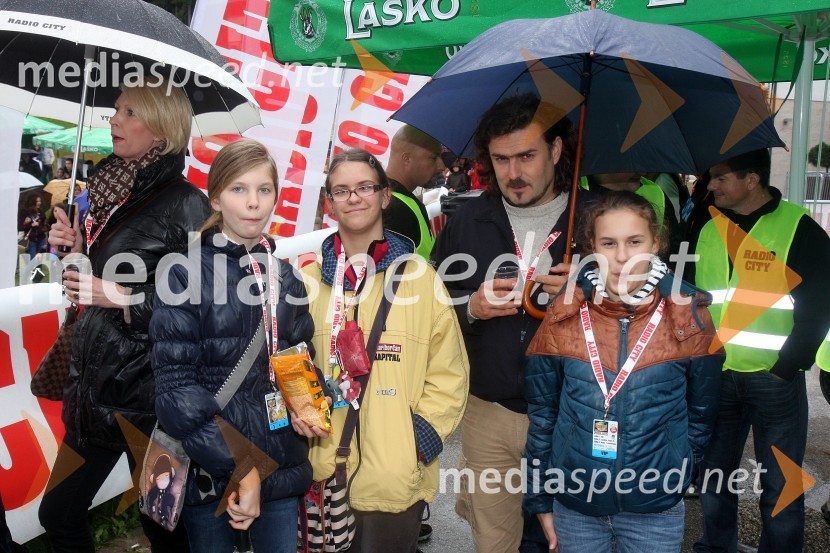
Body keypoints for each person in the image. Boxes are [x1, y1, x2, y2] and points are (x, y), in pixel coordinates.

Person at [40, 80, 210, 553]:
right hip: (96, 393)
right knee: (58, 514)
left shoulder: (189, 205)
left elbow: (202, 301)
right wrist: (76, 251)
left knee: (163, 525)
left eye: (129, 112)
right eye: (116, 110)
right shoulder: (114, 192)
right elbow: (96, 283)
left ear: (160, 131)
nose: (114, 119)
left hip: (152, 402)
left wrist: (119, 297)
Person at [430, 92, 593, 553]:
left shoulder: (599, 219)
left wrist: (591, 296)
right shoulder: (466, 223)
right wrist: (471, 309)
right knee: (494, 543)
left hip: (574, 414)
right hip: (489, 415)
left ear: (557, 151)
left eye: (526, 156)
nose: (514, 173)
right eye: (501, 160)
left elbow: (648, 313)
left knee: (572, 539)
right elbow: (428, 311)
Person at [523, 191, 723, 552]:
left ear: (657, 242)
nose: (621, 257)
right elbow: (543, 417)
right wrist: (539, 499)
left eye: (635, 241)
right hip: (576, 504)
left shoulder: (690, 317)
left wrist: (677, 469)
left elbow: (702, 415)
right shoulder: (562, 314)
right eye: (608, 243)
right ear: (592, 246)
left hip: (655, 508)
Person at [293, 148, 469, 553]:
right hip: (321, 472)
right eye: (341, 190)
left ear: (385, 196)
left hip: (393, 479)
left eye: (365, 187)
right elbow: (291, 361)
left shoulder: (421, 280)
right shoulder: (307, 281)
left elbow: (450, 375)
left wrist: (417, 441)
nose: (353, 197)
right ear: (329, 203)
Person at [151, 139, 314, 552]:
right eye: (239, 189)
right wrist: (243, 466)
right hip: (211, 473)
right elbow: (175, 393)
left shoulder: (287, 277)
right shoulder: (182, 273)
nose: (253, 202)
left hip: (277, 465)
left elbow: (296, 359)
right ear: (216, 199)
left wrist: (310, 405)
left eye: (264, 190)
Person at [691, 149, 830, 553]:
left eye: (719, 177)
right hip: (716, 375)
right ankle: (716, 547)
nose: (710, 185)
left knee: (781, 486)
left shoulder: (798, 228)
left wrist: (787, 366)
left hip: (774, 380)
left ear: (752, 180)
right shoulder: (708, 225)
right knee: (715, 479)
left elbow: (819, 305)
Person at [382, 124, 444, 258]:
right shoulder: (394, 208)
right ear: (407, 159)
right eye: (433, 158)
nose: (441, 166)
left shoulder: (397, 201)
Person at [18, 193, 48, 259]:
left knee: (40, 259)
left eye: (40, 201)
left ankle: (39, 269)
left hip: (41, 238)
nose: (39, 203)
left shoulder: (41, 212)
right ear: (32, 202)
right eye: (37, 201)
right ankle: (33, 269)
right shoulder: (24, 212)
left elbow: (44, 225)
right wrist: (31, 224)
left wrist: (42, 226)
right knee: (33, 259)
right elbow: (20, 227)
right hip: (31, 239)